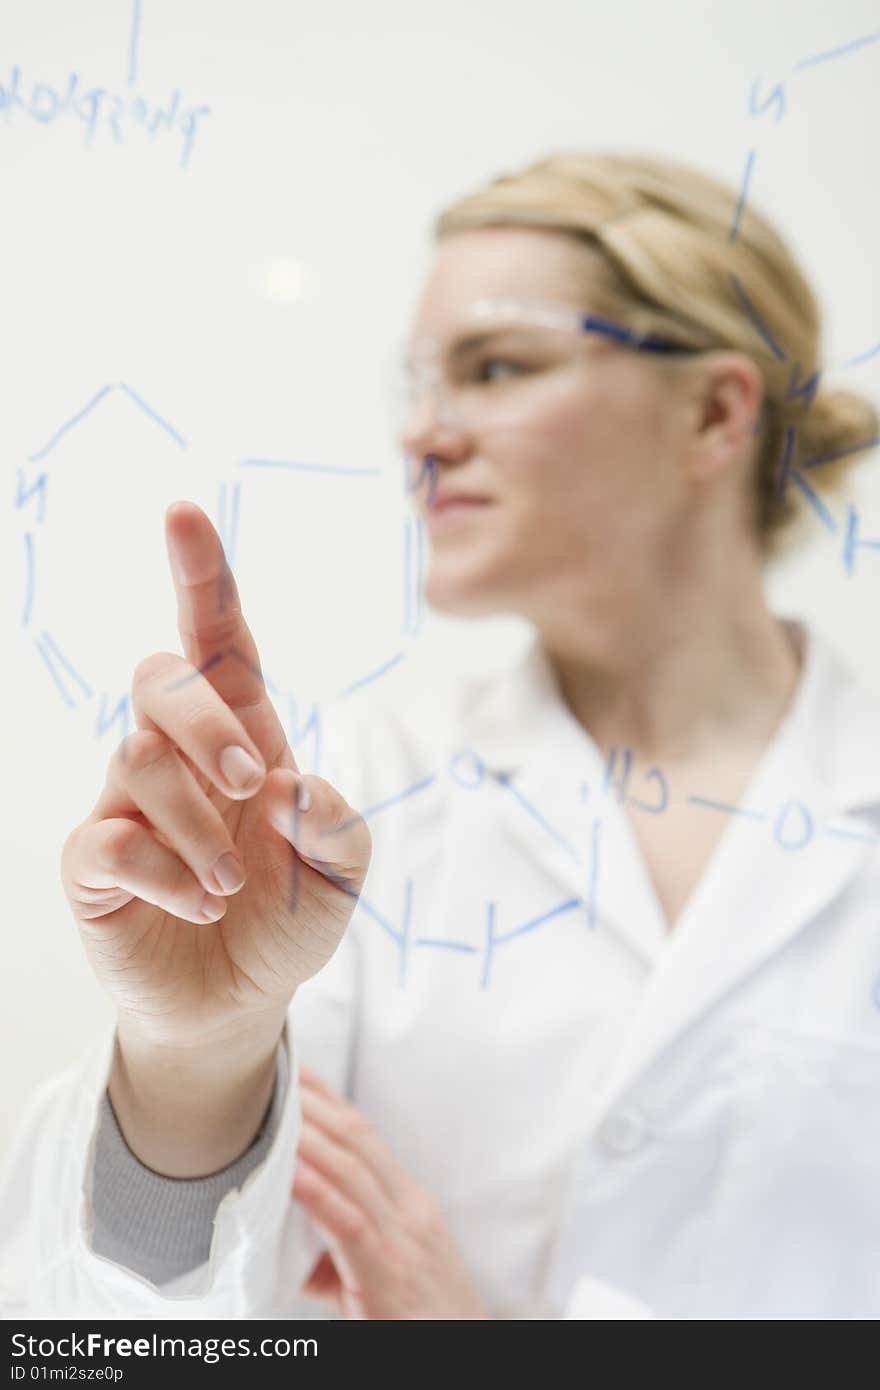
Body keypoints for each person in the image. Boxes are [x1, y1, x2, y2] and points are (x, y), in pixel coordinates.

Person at [2, 149, 880, 1321]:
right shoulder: (346, 804)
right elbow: (131, 1337)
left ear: (714, 409)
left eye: (496, 367)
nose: (423, 434)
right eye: (416, 383)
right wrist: (189, 1056)